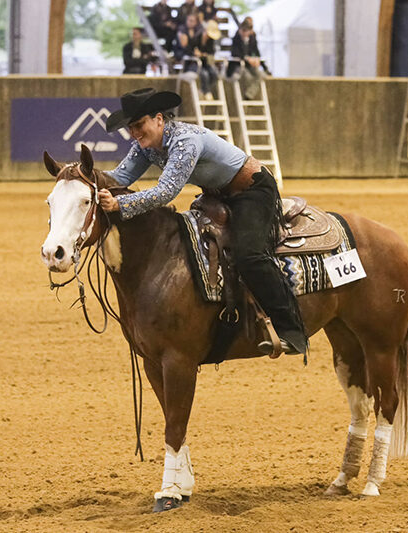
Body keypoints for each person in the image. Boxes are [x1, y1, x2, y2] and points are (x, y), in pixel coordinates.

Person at [99, 88, 308, 357]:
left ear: (159, 119)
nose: (135, 133)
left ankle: (291, 330)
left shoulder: (185, 141)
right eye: (130, 128)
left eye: (139, 125)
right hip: (217, 195)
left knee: (249, 254)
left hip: (252, 191)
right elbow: (118, 177)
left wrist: (121, 204)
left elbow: (166, 191)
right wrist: (81, 180)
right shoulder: (146, 147)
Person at [228, 19, 263, 100]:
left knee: (260, 74)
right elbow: (235, 53)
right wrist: (247, 58)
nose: (243, 32)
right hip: (239, 65)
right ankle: (247, 95)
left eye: (245, 30)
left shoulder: (252, 39)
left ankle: (249, 94)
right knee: (247, 77)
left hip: (250, 65)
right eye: (242, 30)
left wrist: (256, 59)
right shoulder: (236, 38)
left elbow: (256, 52)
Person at [198, 19, 220, 98]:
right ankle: (206, 91)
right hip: (198, 63)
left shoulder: (211, 42)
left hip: (207, 62)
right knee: (204, 74)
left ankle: (204, 90)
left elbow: (211, 54)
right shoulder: (197, 37)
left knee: (214, 73)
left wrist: (204, 55)